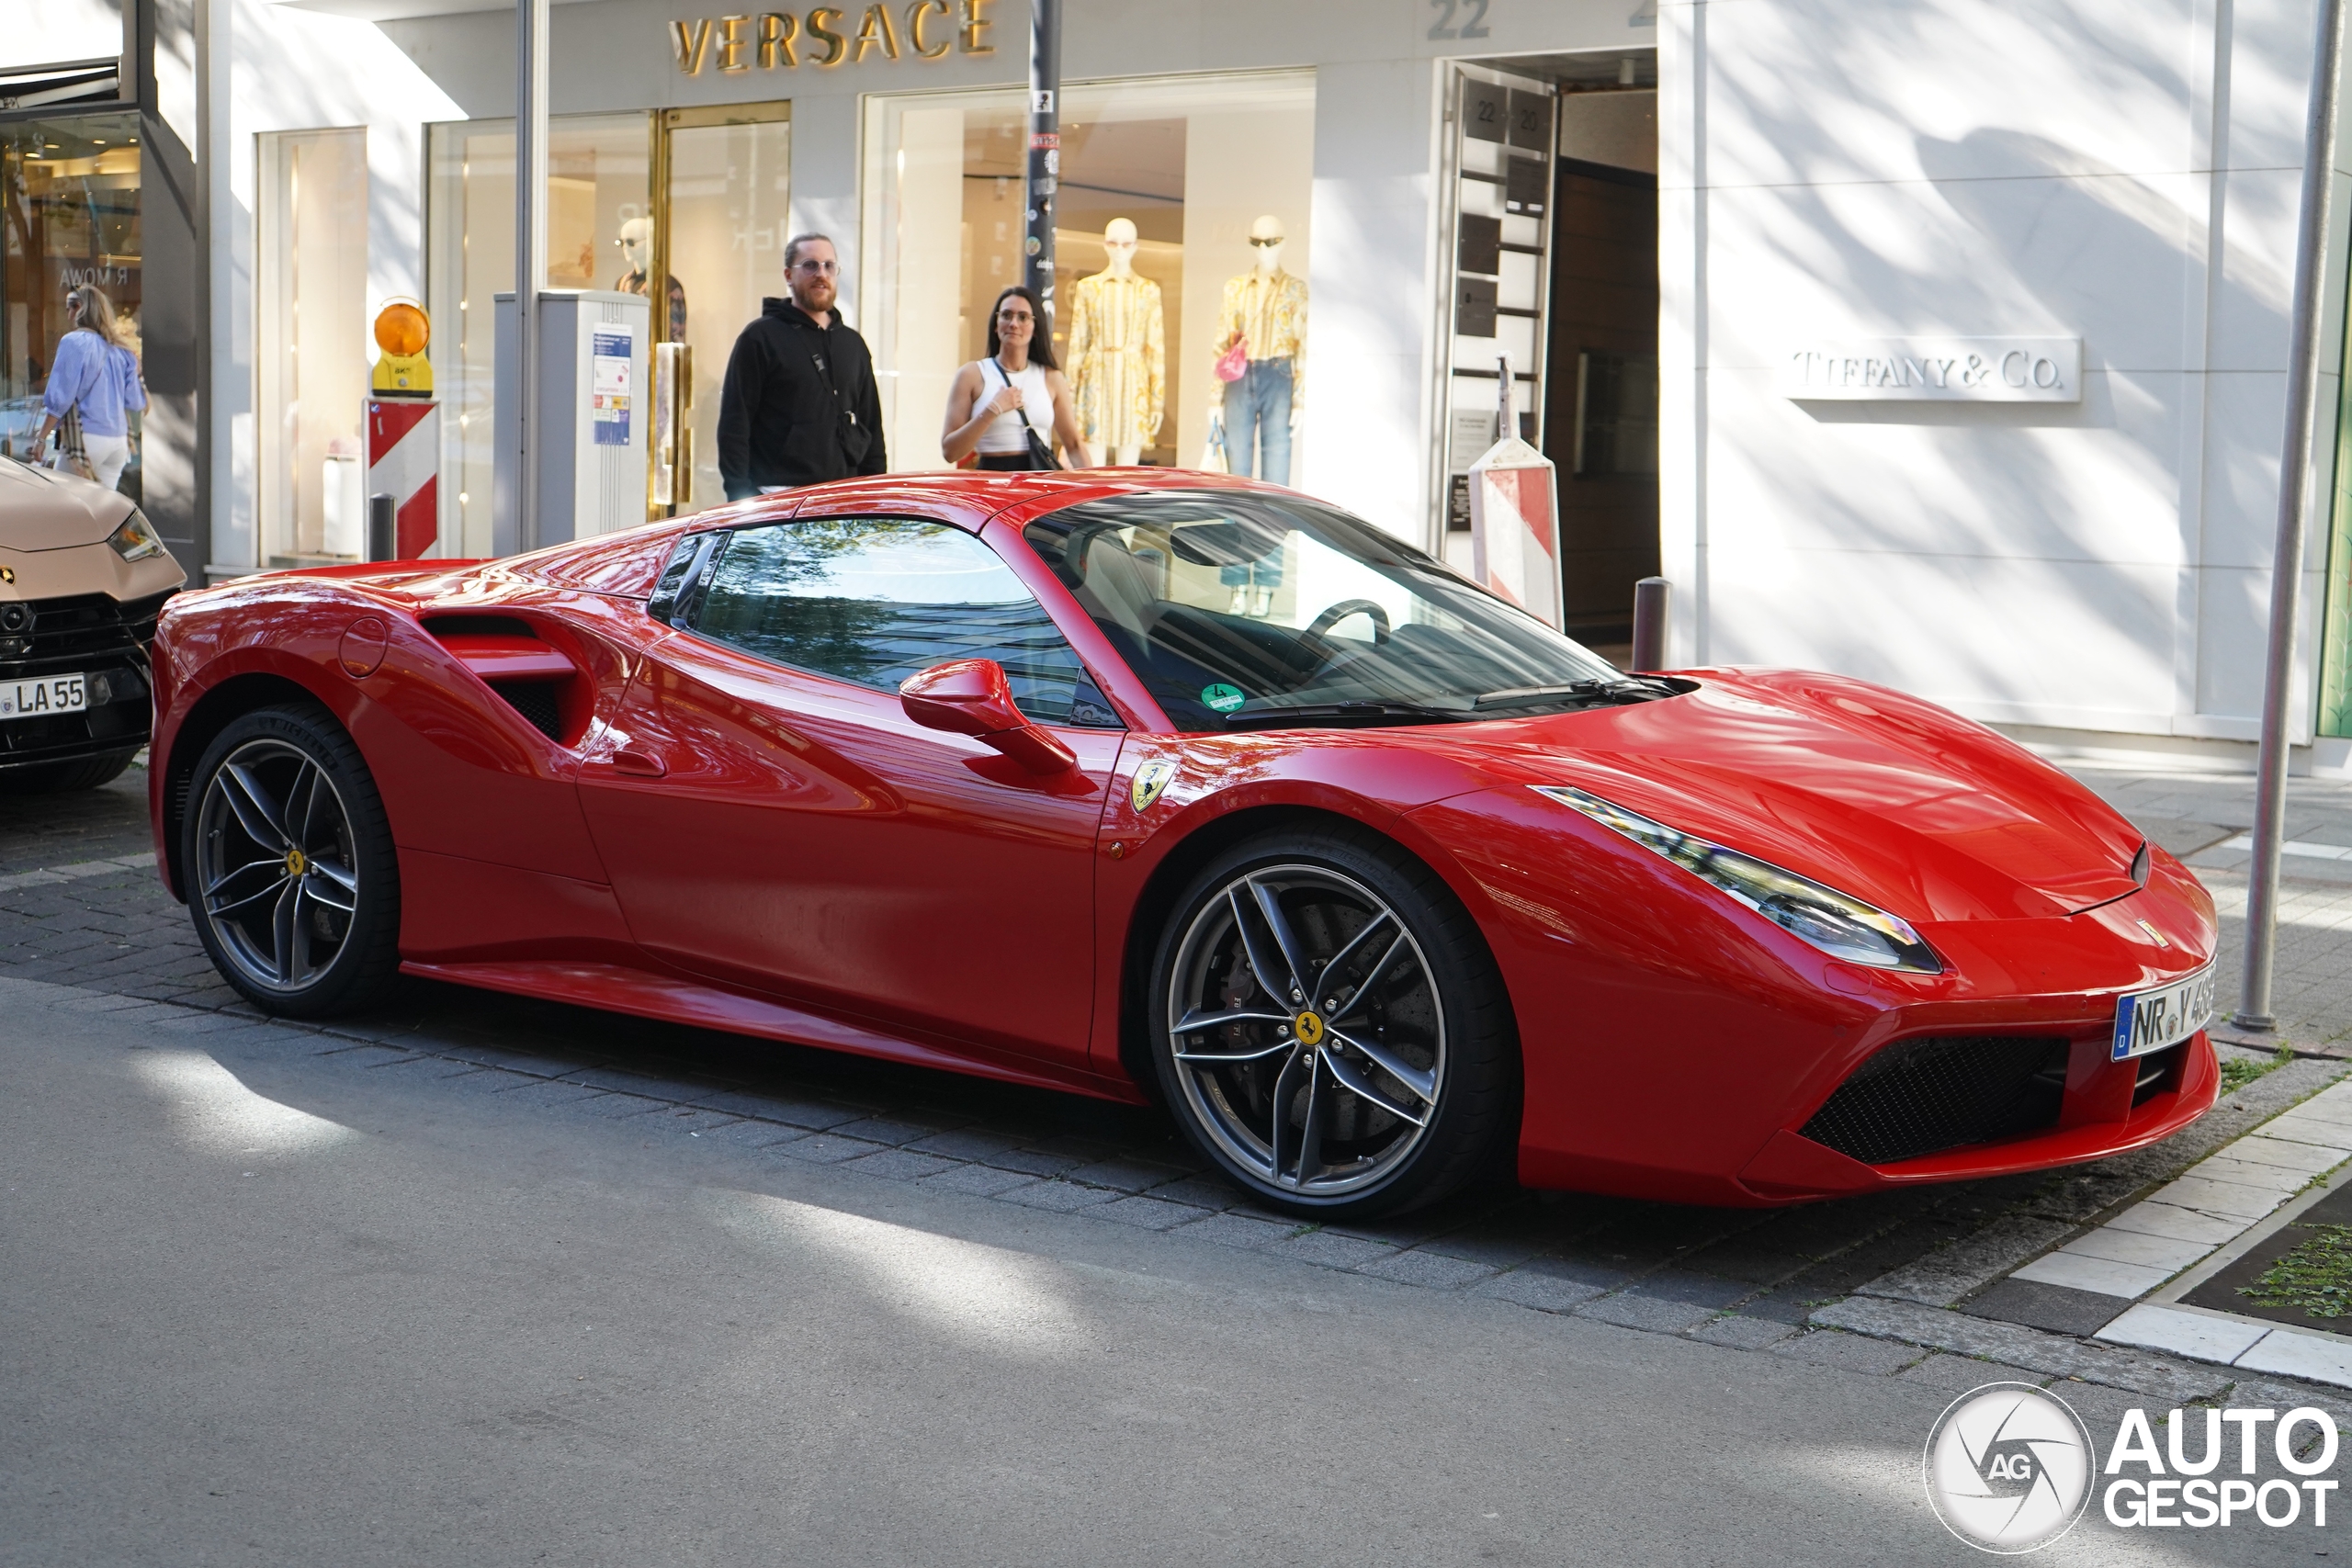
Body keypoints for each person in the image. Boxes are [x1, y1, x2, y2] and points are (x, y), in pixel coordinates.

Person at [716, 233, 886, 500]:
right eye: (810, 265)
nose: (821, 273)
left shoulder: (853, 344)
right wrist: (740, 499)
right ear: (788, 275)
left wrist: (874, 497)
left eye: (829, 265)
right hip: (776, 496)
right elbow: (735, 425)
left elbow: (872, 426)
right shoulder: (760, 338)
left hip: (844, 499)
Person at [940, 286, 1090, 471]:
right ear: (996, 324)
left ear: (1035, 328)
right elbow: (950, 452)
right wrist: (992, 410)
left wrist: (1096, 490)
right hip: (992, 483)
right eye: (1006, 315)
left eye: (1023, 317)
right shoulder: (973, 374)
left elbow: (1074, 444)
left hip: (1038, 482)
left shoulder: (1051, 378)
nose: (1013, 324)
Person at [34, 285, 145, 493]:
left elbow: (60, 398)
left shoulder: (74, 342)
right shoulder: (122, 351)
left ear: (79, 308)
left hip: (87, 439)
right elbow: (136, 403)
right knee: (99, 513)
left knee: (63, 503)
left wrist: (41, 439)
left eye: (69, 307)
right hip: (118, 442)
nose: (68, 314)